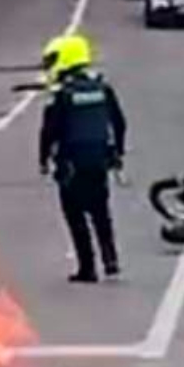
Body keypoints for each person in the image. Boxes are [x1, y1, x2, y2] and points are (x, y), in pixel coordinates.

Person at [39, 33, 128, 284]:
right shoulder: (102, 88)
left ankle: (87, 268)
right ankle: (110, 260)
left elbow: (49, 131)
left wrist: (43, 160)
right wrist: (117, 153)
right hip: (99, 161)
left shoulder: (62, 95)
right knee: (101, 213)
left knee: (76, 217)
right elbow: (119, 123)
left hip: (72, 164)